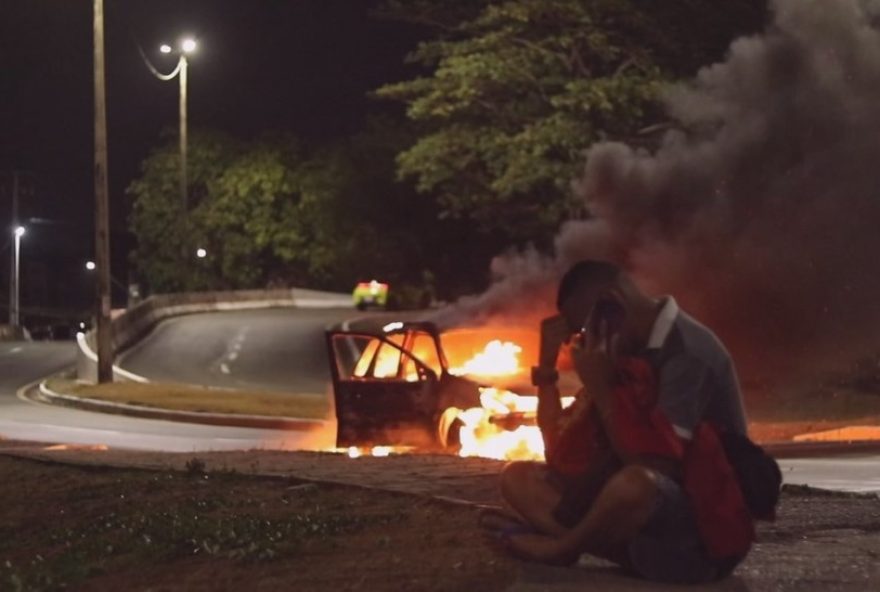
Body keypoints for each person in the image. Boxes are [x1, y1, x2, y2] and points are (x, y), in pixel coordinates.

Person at [488, 260, 751, 584]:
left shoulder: (686, 352)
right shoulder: (620, 345)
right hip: (633, 519)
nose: (584, 340)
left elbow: (655, 470)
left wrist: (602, 389)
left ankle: (560, 548)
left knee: (633, 484)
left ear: (614, 304)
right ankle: (594, 542)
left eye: (585, 328)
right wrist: (546, 370)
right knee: (517, 477)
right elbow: (559, 453)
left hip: (697, 531)